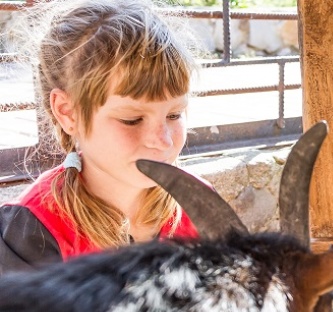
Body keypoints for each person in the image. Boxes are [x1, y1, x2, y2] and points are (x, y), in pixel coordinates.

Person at [0, 0, 201, 275]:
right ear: (68, 112)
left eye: (175, 114)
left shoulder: (199, 204)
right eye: (132, 119)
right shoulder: (32, 232)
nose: (163, 141)